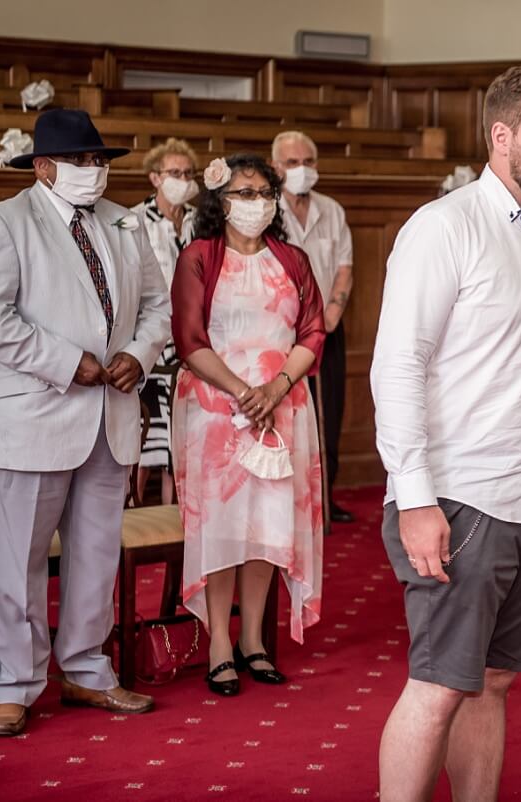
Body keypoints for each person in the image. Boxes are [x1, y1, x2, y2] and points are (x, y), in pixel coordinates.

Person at [370, 63, 521, 802]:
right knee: (436, 686)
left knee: (492, 683)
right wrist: (417, 499)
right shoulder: (443, 228)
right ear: (502, 137)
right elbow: (397, 369)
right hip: (460, 501)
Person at [0, 108, 171, 736]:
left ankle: (85, 670)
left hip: (110, 413)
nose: (95, 172)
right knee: (18, 557)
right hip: (33, 417)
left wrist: (139, 352)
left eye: (101, 160)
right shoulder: (4, 222)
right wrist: (64, 361)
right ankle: (16, 683)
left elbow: (157, 306)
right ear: (44, 167)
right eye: (81, 161)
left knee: (96, 553)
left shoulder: (124, 222)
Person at [170, 153, 326, 696]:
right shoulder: (199, 257)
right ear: (219, 200)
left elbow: (312, 332)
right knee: (223, 529)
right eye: (242, 193)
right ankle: (218, 644)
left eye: (263, 193)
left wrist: (275, 389)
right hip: (216, 412)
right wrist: (242, 391)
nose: (254, 203)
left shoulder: (293, 258)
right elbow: (189, 339)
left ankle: (254, 639)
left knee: (266, 526)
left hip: (280, 409)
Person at [271, 130, 356, 524]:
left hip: (327, 328)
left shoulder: (332, 210)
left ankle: (326, 496)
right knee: (290, 414)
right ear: (275, 168)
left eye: (308, 162)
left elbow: (344, 267)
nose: (302, 170)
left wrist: (330, 316)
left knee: (330, 411)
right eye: (292, 163)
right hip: (283, 334)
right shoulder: (267, 209)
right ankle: (291, 500)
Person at [130, 138, 199, 505]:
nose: (183, 179)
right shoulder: (134, 219)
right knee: (148, 430)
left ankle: (176, 511)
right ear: (155, 177)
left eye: (188, 173)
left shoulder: (199, 220)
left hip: (189, 334)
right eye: (175, 173)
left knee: (179, 432)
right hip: (152, 336)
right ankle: (134, 505)